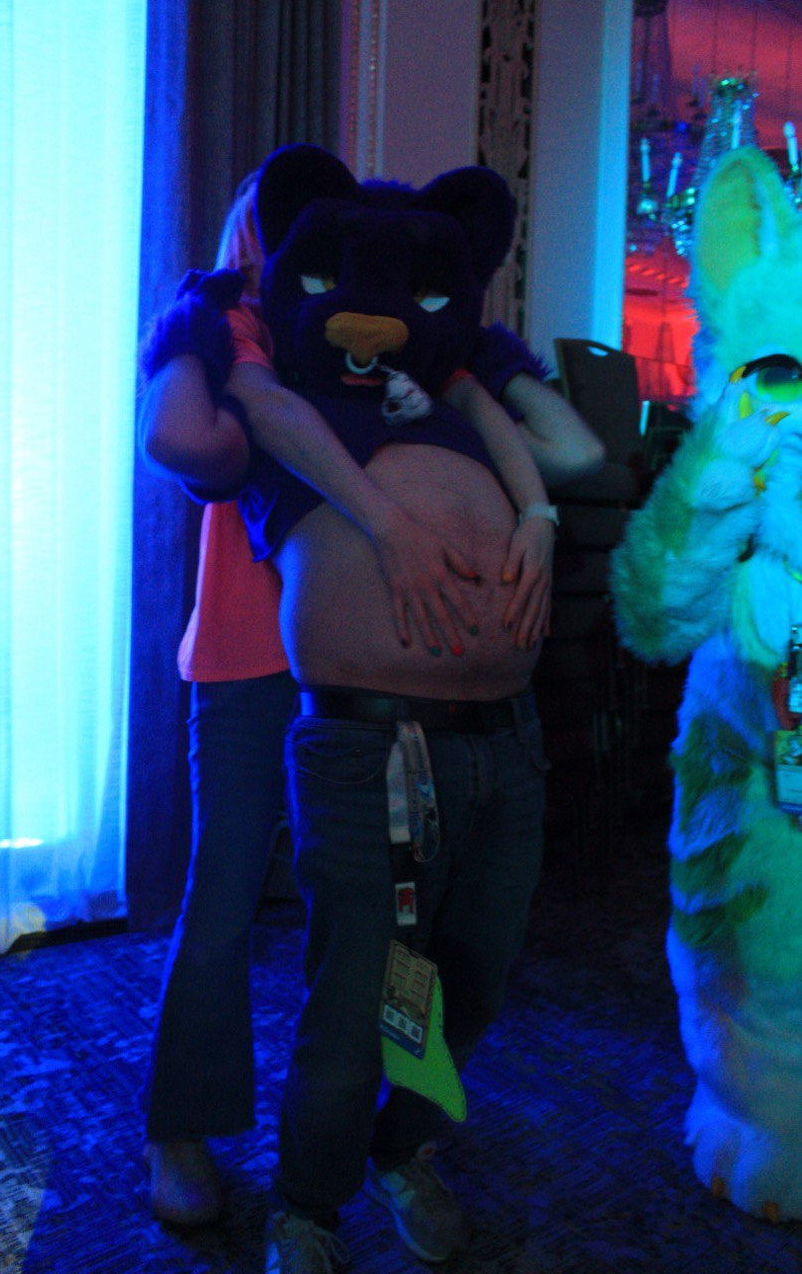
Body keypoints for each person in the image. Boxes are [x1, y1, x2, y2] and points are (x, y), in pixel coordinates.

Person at [138, 162, 603, 1244]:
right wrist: (197, 323)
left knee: (398, 941)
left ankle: (397, 1128)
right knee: (223, 902)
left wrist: (497, 405)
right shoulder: (247, 333)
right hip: (255, 654)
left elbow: (545, 439)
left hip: (391, 688)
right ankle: (183, 1124)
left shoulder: (408, 362)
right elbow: (207, 429)